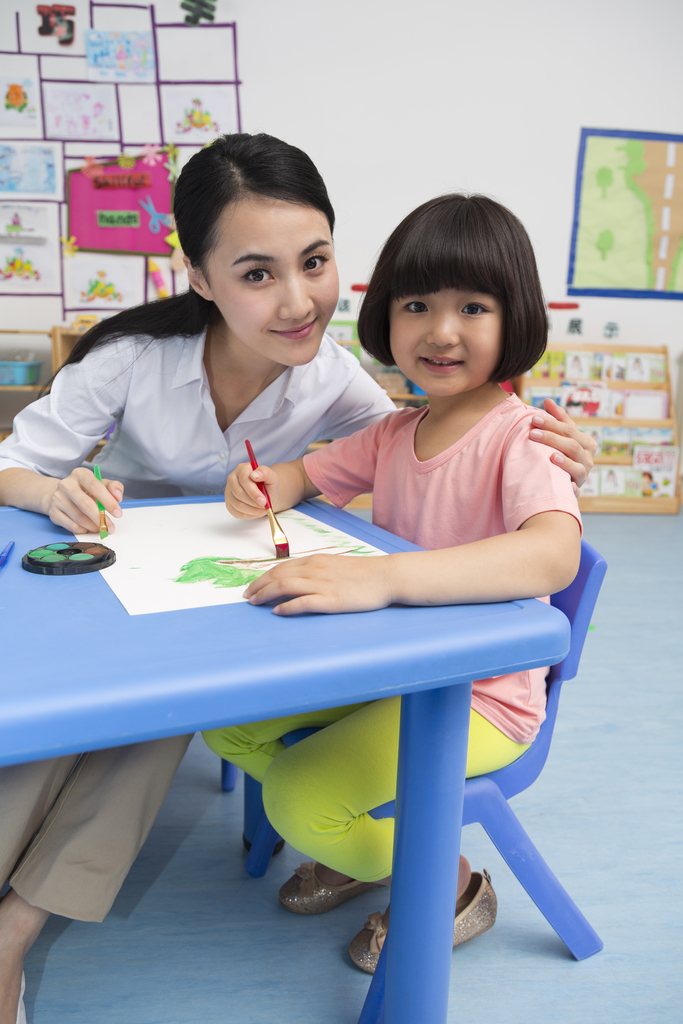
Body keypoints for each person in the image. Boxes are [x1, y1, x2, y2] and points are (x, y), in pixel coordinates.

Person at [0, 134, 594, 1024]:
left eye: (314, 263)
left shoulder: (355, 388)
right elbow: (325, 467)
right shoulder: (135, 360)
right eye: (254, 273)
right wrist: (65, 490)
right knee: (105, 716)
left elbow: (502, 491)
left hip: (420, 665)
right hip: (114, 587)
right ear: (199, 275)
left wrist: (555, 456)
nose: (295, 300)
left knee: (214, 739)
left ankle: (429, 874)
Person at [207, 192, 584, 975]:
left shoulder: (523, 438)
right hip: (397, 667)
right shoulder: (394, 429)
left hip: (479, 694)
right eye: (416, 305)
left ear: (514, 319)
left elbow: (552, 556)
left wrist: (382, 580)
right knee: (225, 721)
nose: (441, 332)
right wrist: (259, 486)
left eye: (472, 307)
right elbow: (304, 476)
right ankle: (357, 842)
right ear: (385, 315)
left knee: (300, 799)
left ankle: (449, 884)